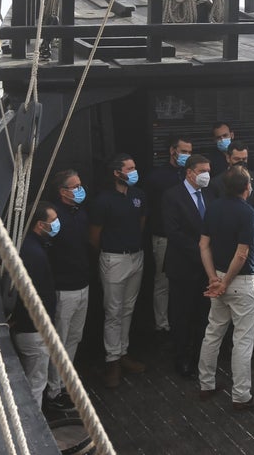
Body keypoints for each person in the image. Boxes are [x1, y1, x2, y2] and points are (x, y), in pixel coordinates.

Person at [197, 166, 254, 410]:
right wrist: (225, 283)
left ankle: (206, 385)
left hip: (217, 277)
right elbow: (242, 253)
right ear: (247, 187)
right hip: (241, 282)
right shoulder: (248, 212)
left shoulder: (213, 207)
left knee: (213, 332)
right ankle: (241, 395)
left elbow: (203, 245)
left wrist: (214, 279)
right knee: (243, 340)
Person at [89, 154, 147, 388]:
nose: (134, 171)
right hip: (114, 258)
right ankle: (112, 360)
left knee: (128, 308)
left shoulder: (138, 196)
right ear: (117, 173)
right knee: (113, 310)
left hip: (136, 256)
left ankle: (123, 352)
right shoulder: (103, 201)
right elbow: (94, 235)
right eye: (129, 168)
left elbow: (140, 223)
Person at [43, 170, 92, 412]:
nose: (80, 189)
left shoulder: (79, 213)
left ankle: (65, 383)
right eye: (75, 186)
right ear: (63, 191)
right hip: (64, 289)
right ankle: (53, 391)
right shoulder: (55, 217)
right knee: (60, 341)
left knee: (74, 337)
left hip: (82, 284)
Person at [163, 154, 215, 378]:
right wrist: (202, 254)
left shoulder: (211, 194)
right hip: (184, 266)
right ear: (190, 172)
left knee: (203, 314)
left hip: (207, 269)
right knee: (182, 315)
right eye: (202, 171)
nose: (206, 175)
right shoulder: (172, 196)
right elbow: (173, 233)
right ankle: (181, 358)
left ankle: (200, 355)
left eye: (208, 171)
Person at [10, 202, 58, 409]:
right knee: (36, 382)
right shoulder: (34, 255)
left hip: (26, 328)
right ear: (40, 225)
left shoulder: (28, 247)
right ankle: (32, 428)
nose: (57, 224)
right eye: (53, 221)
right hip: (34, 331)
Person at [144, 136, 194, 336]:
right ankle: (162, 323)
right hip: (163, 236)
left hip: (188, 237)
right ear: (173, 151)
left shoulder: (190, 174)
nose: (186, 156)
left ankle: (183, 319)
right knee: (162, 281)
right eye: (184, 151)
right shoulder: (157, 176)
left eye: (190, 152)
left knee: (186, 280)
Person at [225, 140, 254, 270]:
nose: (241, 162)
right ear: (228, 158)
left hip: (252, 242)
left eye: (244, 159)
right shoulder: (218, 181)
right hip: (227, 242)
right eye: (237, 159)